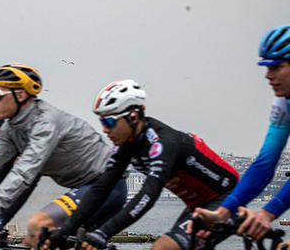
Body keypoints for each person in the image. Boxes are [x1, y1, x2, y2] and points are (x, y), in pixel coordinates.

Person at [0, 64, 127, 247]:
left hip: (107, 186)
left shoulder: (45, 124)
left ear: (20, 96)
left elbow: (23, 175)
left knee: (38, 224)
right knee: (31, 241)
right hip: (82, 188)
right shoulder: (11, 129)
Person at [43, 79, 239, 250]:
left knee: (163, 247)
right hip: (198, 205)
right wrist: (66, 229)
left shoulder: (163, 143)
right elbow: (101, 189)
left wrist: (104, 232)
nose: (104, 130)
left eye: (109, 122)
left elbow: (148, 194)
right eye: (102, 122)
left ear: (133, 117)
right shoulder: (126, 146)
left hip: (228, 198)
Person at [191, 25, 290, 243]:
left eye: (276, 67)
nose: (268, 76)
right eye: (267, 67)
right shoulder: (283, 103)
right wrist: (223, 213)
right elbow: (264, 164)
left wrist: (268, 213)